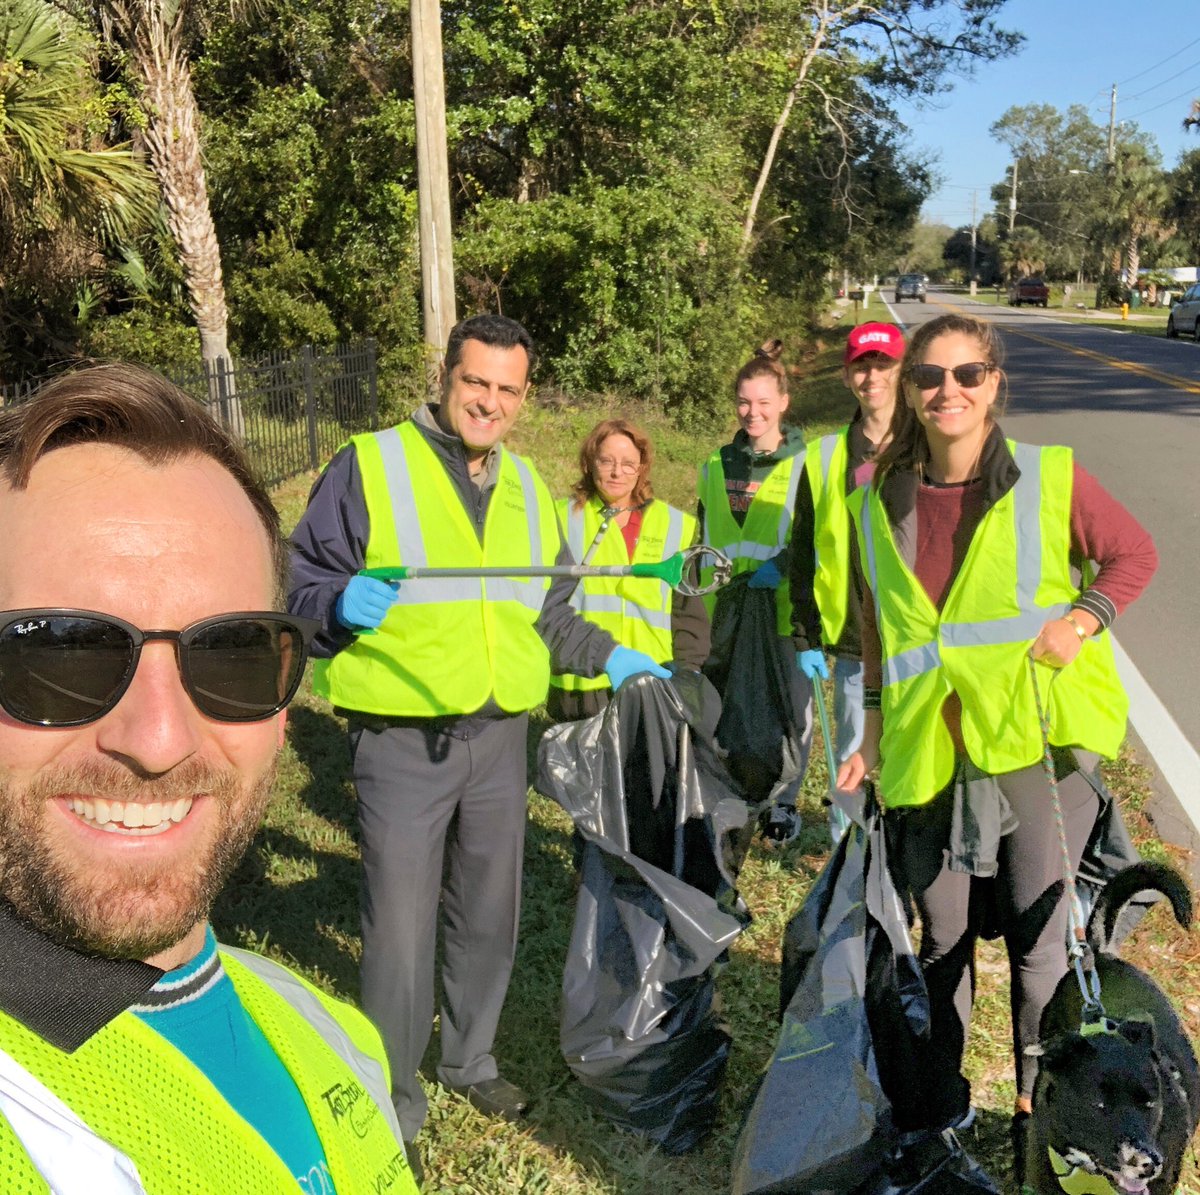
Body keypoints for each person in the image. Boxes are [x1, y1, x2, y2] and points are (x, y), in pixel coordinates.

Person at [0, 364, 418, 1194]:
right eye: (59, 651)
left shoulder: (331, 1030)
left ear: (283, 712)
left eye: (233, 652)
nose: (157, 740)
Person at [287, 314, 669, 1150]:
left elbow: (553, 614)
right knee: (399, 923)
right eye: (475, 382)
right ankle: (393, 1093)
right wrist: (334, 604)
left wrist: (617, 659)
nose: (488, 402)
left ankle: (470, 1059)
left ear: (523, 397)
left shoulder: (531, 489)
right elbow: (296, 582)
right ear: (445, 377)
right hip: (402, 739)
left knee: (488, 913)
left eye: (506, 389)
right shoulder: (371, 464)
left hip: (501, 740)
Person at [836, 313, 1157, 1158]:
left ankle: (1038, 1113)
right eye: (932, 376)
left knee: (1037, 940)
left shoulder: (1049, 478)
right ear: (910, 389)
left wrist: (1082, 619)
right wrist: (867, 731)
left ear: (994, 384)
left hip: (1033, 747)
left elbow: (1133, 554)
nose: (950, 390)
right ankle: (943, 1110)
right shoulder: (873, 498)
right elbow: (876, 632)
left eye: (968, 374)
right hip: (928, 752)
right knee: (940, 938)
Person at [789, 322, 905, 841]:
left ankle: (914, 851)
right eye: (862, 365)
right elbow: (803, 548)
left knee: (921, 752)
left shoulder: (930, 445)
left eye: (883, 364)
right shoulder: (824, 456)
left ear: (903, 371)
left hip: (921, 636)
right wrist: (805, 634)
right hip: (857, 641)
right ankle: (847, 858)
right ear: (846, 375)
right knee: (853, 753)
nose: (872, 375)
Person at [697, 339, 810, 841]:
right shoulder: (715, 465)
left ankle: (784, 801)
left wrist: (782, 567)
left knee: (792, 705)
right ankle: (734, 786)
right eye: (744, 402)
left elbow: (816, 538)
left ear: (783, 402)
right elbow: (704, 536)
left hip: (786, 608)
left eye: (764, 402)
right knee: (729, 700)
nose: (753, 412)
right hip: (728, 603)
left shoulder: (807, 463)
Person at [548, 417, 710, 721]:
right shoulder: (559, 518)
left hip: (653, 677)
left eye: (627, 463)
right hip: (581, 680)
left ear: (642, 467)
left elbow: (688, 610)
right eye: (606, 460)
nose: (616, 472)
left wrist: (688, 672)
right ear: (589, 463)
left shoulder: (675, 525)